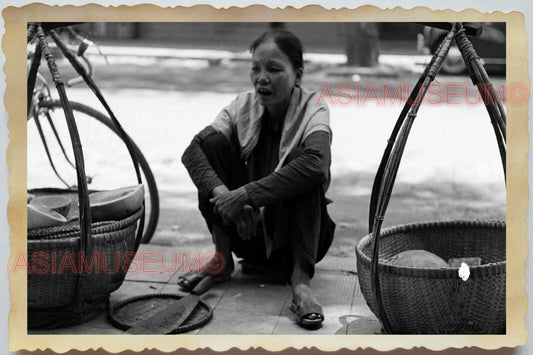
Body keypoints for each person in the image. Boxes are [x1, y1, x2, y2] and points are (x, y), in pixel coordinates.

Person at [180, 29, 335, 329]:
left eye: (274, 69)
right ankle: (222, 259)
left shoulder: (314, 107)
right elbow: (193, 153)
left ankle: (301, 285)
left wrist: (246, 195)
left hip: (298, 244)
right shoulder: (242, 105)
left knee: (302, 165)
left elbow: (317, 165)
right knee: (211, 148)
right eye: (256, 68)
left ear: (298, 75)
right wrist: (229, 199)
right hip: (247, 234)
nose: (262, 77)